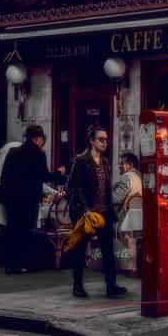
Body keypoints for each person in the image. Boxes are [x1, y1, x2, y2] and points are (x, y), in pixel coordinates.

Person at [66, 126, 127, 298]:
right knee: (80, 248)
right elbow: (75, 188)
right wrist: (84, 210)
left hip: (103, 213)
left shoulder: (106, 162)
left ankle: (111, 285)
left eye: (106, 139)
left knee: (108, 249)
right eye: (101, 139)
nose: (105, 142)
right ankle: (77, 285)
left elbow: (107, 188)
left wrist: (110, 210)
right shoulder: (81, 161)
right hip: (86, 213)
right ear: (92, 141)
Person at [0, 125, 64, 274]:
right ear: (37, 138)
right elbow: (44, 176)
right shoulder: (38, 154)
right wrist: (59, 174)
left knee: (13, 230)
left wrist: (6, 195)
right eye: (42, 139)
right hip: (29, 199)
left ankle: (11, 264)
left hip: (12, 199)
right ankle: (26, 263)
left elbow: (4, 175)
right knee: (28, 231)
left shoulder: (13, 152)